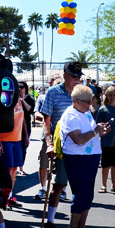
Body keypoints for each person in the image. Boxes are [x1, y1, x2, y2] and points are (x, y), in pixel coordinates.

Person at [56, 85, 111, 228]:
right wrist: (96, 131)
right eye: (88, 101)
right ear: (77, 101)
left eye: (92, 100)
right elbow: (79, 139)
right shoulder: (71, 115)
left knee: (87, 195)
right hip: (77, 158)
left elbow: (90, 132)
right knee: (80, 194)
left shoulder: (85, 112)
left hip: (91, 156)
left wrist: (100, 131)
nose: (91, 104)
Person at [36, 63, 81, 200]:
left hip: (73, 142)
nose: (77, 79)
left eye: (78, 76)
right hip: (54, 138)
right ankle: (44, 190)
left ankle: (63, 191)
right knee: (47, 166)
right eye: (74, 76)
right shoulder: (53, 92)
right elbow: (46, 120)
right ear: (65, 75)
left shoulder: (80, 93)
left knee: (69, 176)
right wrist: (49, 143)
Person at [97, 86, 115, 194]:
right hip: (106, 140)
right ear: (106, 96)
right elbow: (97, 126)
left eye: (114, 95)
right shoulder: (102, 109)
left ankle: (114, 185)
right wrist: (99, 139)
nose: (112, 97)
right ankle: (103, 184)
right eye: (110, 95)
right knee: (105, 164)